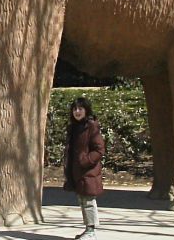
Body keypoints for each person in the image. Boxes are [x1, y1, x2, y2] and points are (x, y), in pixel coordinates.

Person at [63, 97, 105, 240]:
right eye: (75, 109)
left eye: (80, 108)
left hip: (88, 171)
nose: (77, 112)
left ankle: (91, 231)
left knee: (88, 201)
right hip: (77, 172)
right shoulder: (74, 128)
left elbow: (99, 149)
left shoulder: (91, 127)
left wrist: (85, 161)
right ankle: (88, 229)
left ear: (86, 110)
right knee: (82, 200)